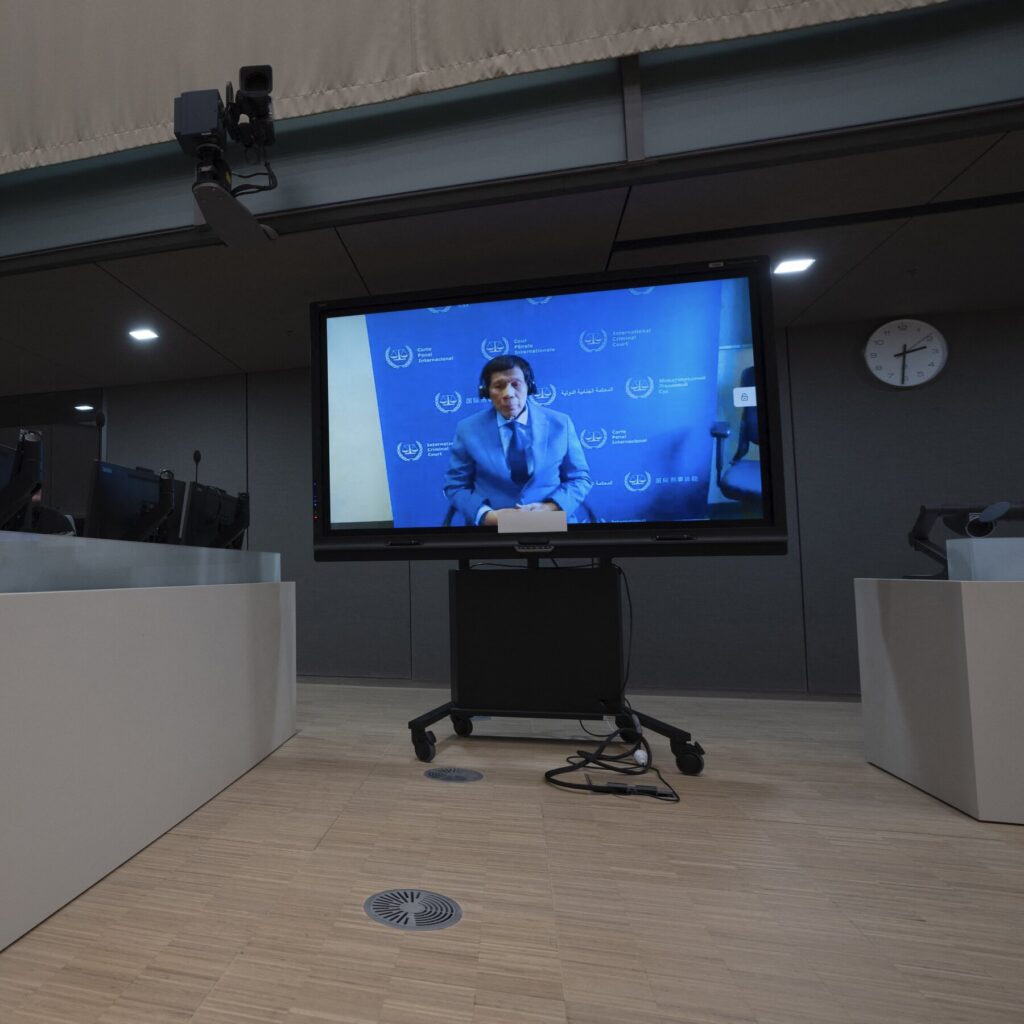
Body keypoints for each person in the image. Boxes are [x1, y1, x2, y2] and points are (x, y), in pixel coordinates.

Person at [443, 355, 593, 526]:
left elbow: (579, 479)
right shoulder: (468, 429)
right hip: (493, 528)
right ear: (486, 391)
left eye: (516, 384)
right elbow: (456, 486)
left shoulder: (560, 424)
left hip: (550, 523)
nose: (508, 394)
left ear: (529, 386)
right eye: (498, 386)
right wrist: (486, 516)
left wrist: (551, 508)